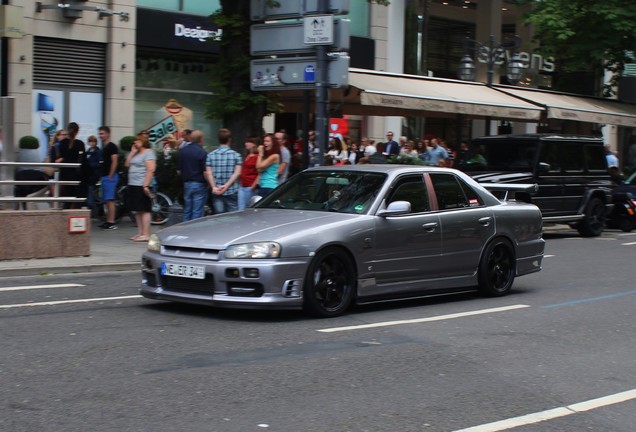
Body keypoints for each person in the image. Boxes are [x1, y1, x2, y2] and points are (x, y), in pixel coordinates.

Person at [125, 132, 156, 242]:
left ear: (143, 142)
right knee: (137, 210)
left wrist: (146, 185)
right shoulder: (136, 153)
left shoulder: (148, 153)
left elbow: (151, 169)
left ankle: (146, 234)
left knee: (144, 209)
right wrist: (132, 152)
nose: (135, 142)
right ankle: (140, 233)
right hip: (133, 183)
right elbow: (127, 164)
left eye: (137, 141)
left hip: (141, 184)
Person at [206, 128, 242, 214]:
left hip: (217, 190)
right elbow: (237, 173)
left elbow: (209, 173)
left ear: (218, 140)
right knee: (233, 215)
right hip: (231, 189)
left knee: (219, 215)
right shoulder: (236, 155)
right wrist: (226, 186)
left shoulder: (210, 155)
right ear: (229, 140)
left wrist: (213, 186)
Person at [177, 129, 209, 221]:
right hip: (199, 183)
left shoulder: (182, 151)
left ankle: (185, 230)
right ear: (201, 140)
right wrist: (210, 183)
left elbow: (178, 171)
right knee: (197, 211)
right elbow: (205, 171)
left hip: (187, 183)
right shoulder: (202, 152)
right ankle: (194, 232)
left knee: (187, 209)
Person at [58, 122, 85, 208]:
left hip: (65, 174)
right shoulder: (80, 144)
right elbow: (83, 159)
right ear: (77, 132)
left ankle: (66, 216)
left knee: (67, 198)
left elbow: (61, 156)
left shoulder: (62, 143)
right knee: (77, 199)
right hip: (76, 175)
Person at [98, 126, 120, 230]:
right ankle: (108, 221)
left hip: (109, 176)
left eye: (102, 133)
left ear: (108, 134)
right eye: (100, 134)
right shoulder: (104, 147)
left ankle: (112, 222)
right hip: (104, 176)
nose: (100, 136)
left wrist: (111, 175)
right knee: (106, 200)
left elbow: (114, 161)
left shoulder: (112, 147)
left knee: (110, 200)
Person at [82, 135, 102, 217]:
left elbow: (99, 163)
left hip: (94, 174)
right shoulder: (88, 151)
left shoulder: (97, 151)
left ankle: (90, 205)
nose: (92, 143)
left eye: (93, 141)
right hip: (89, 173)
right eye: (90, 141)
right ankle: (91, 204)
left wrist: (90, 165)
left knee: (90, 188)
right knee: (90, 189)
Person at [238, 136, 260, 210]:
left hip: (250, 186)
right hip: (242, 185)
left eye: (248, 142)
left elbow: (259, 173)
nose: (246, 144)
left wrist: (253, 186)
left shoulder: (257, 157)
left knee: (247, 208)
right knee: (240, 208)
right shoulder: (247, 155)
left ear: (254, 144)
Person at [256, 133, 280, 198]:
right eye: (264, 141)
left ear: (273, 143)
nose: (265, 143)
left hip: (270, 186)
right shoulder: (266, 157)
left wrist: (260, 154)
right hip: (263, 186)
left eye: (267, 141)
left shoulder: (274, 156)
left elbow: (259, 166)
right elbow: (258, 169)